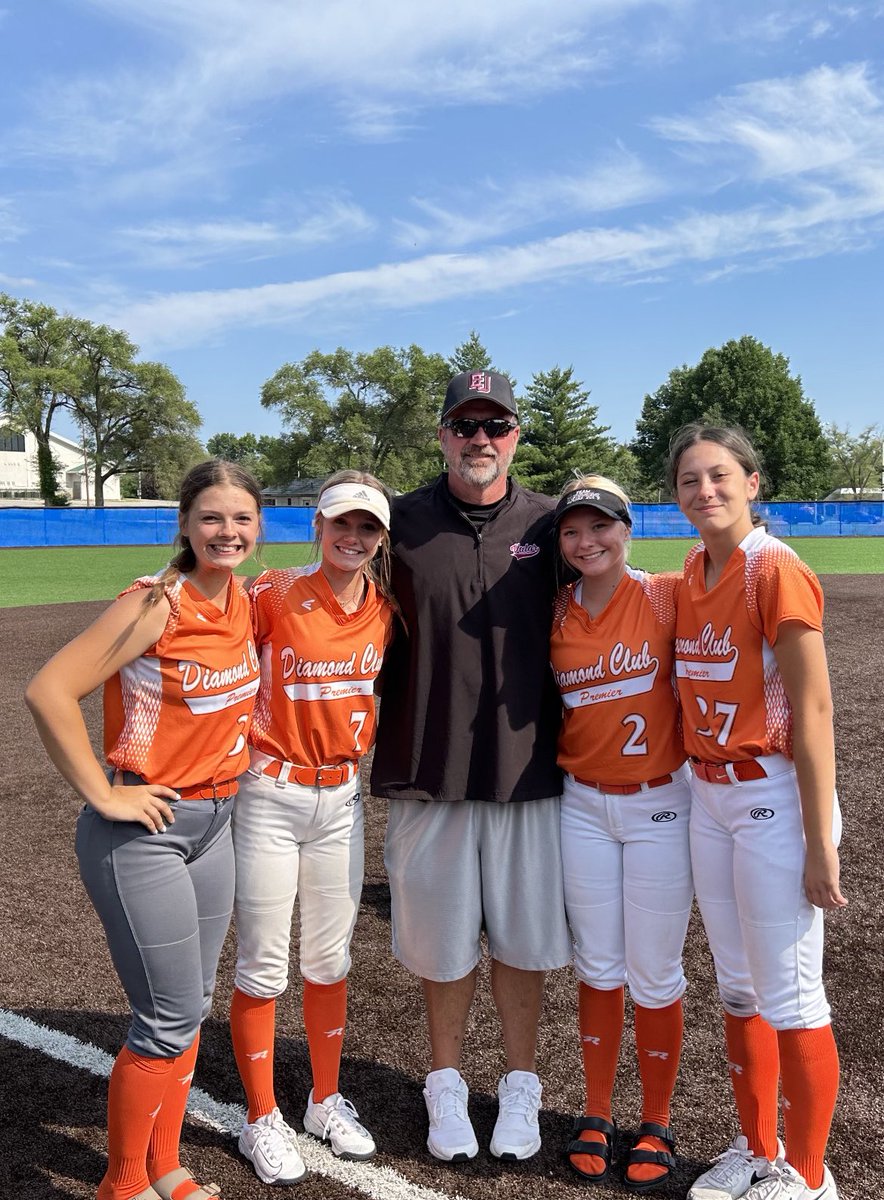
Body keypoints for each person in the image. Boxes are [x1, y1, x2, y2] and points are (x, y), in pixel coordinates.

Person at [25, 460, 263, 1200]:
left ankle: (165, 1166)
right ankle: (122, 1184)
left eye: (242, 519)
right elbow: (49, 690)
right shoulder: (157, 602)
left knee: (190, 1007)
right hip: (147, 830)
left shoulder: (244, 599)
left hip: (216, 823)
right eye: (213, 518)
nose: (228, 532)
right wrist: (106, 794)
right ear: (186, 525)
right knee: (164, 1018)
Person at [370, 369, 572, 1163]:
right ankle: (446, 1085)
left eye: (495, 426)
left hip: (531, 775)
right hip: (429, 769)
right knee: (443, 946)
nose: (480, 440)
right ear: (443, 434)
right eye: (465, 425)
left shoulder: (555, 524)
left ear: (516, 435)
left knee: (524, 945)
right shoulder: (400, 522)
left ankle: (521, 1088)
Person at [668, 424, 846, 1200]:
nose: (704, 491)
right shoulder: (692, 566)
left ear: (752, 481)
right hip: (709, 794)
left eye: (718, 476)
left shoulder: (776, 569)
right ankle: (756, 1144)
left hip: (772, 791)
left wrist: (819, 838)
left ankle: (808, 1177)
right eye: (688, 481)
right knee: (738, 987)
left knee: (792, 993)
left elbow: (812, 711)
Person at [230, 470, 397, 1185]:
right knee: (264, 963)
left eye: (367, 528)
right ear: (317, 527)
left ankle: (323, 1100)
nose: (352, 538)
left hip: (342, 800)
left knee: (329, 961)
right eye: (341, 524)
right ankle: (260, 1116)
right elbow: (208, 616)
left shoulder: (388, 607)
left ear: (381, 538)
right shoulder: (271, 594)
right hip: (269, 792)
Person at [550, 475, 691, 1192]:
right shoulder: (555, 612)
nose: (587, 541)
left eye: (600, 527)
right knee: (598, 965)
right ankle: (599, 1111)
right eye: (573, 530)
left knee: (656, 970)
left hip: (662, 804)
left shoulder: (666, 595)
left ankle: (658, 1119)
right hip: (582, 805)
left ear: (628, 528)